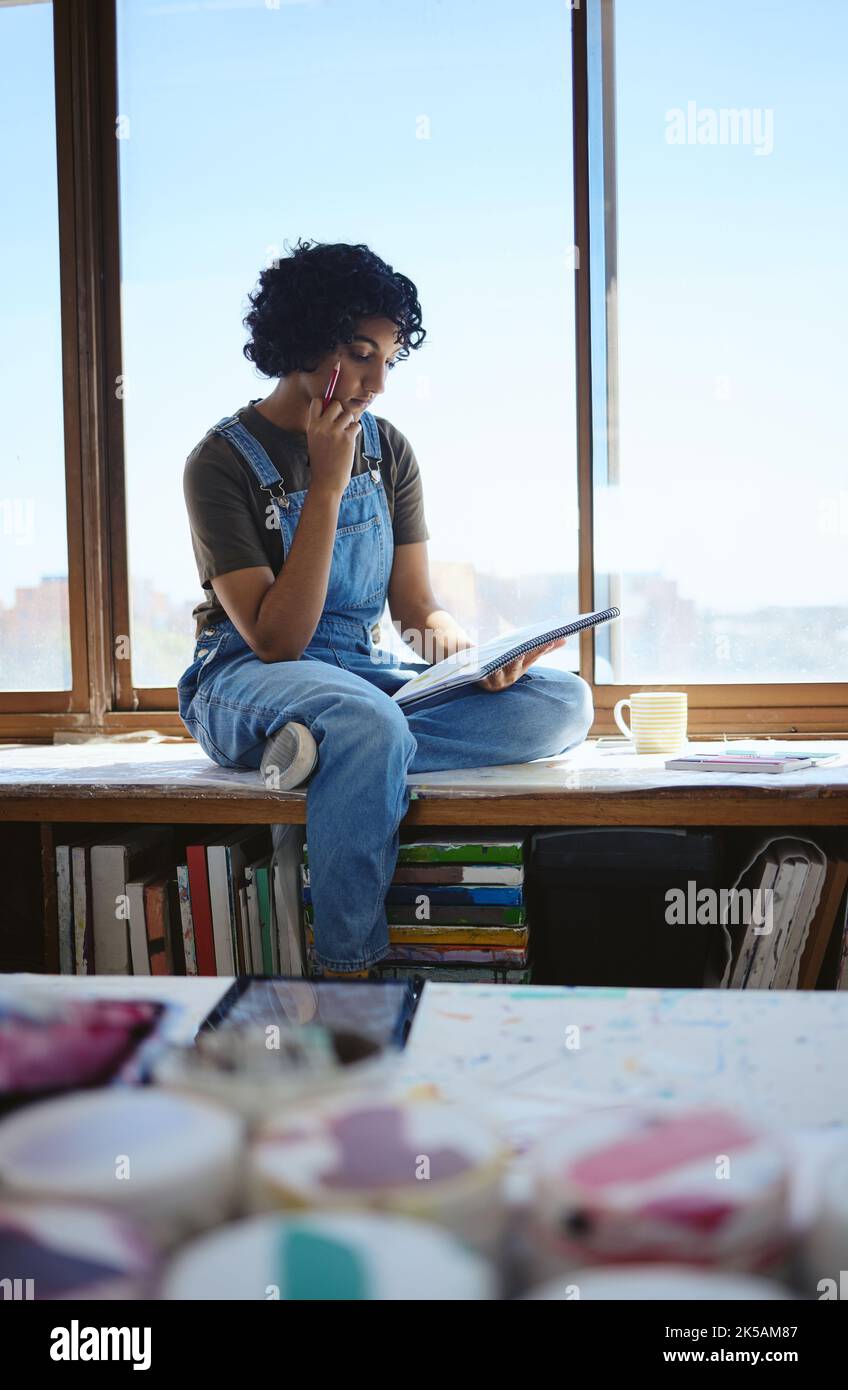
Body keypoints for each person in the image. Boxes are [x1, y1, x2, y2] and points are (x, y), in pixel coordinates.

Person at [178, 239, 594, 976]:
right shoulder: (220, 462)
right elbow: (277, 640)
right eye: (360, 354)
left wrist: (469, 661)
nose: (376, 383)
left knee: (561, 702)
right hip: (245, 678)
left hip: (358, 674)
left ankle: (336, 755)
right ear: (306, 339)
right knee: (364, 721)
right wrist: (329, 489)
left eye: (389, 362)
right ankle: (350, 971)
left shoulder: (390, 449)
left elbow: (415, 610)